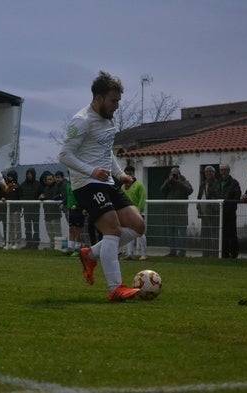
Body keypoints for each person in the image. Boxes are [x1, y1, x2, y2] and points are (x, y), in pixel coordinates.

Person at [58, 70, 144, 302]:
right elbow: (64, 155)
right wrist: (91, 171)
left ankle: (91, 253)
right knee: (113, 230)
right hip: (86, 183)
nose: (117, 105)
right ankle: (115, 288)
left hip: (106, 182)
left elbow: (106, 152)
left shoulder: (108, 120)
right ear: (99, 98)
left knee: (138, 226)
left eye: (118, 101)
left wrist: (120, 174)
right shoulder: (81, 120)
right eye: (113, 100)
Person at [160, 167, 193, 257]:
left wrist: (178, 182)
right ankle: (172, 252)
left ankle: (182, 252)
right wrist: (168, 181)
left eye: (175, 173)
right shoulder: (169, 182)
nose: (173, 175)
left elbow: (190, 190)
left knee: (182, 232)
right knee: (171, 232)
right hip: (170, 211)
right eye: (172, 173)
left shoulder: (185, 182)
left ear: (179, 174)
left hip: (181, 210)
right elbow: (162, 190)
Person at [121, 165, 148, 261]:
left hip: (137, 213)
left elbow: (142, 199)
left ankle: (144, 254)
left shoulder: (139, 185)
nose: (128, 175)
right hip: (127, 214)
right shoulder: (123, 187)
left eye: (130, 174)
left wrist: (138, 212)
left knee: (140, 233)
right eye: (126, 174)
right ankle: (130, 254)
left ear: (133, 174)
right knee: (129, 233)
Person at [218, 163, 242, 258]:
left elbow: (237, 195)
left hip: (230, 213)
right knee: (222, 234)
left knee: (232, 234)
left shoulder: (234, 183)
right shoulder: (217, 182)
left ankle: (234, 254)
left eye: (225, 170)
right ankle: (224, 254)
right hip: (219, 213)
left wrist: (230, 207)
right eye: (221, 170)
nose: (223, 172)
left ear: (228, 171)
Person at [196, 166, 219, 257]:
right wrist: (199, 208)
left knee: (214, 235)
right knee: (205, 235)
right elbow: (199, 196)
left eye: (210, 171)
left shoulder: (217, 183)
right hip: (204, 213)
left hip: (213, 213)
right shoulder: (202, 184)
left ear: (214, 173)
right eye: (207, 172)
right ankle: (205, 253)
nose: (209, 173)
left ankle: (215, 254)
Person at [19, 168, 41, 249]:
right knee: (27, 227)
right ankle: (28, 243)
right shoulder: (23, 185)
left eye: (30, 174)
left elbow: (41, 194)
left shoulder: (38, 184)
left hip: (35, 209)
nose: (29, 175)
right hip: (26, 209)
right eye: (28, 174)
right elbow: (20, 196)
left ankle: (35, 244)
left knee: (36, 227)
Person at [39, 172, 63, 250]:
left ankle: (59, 247)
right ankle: (52, 246)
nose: (49, 181)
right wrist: (42, 196)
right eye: (48, 179)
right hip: (47, 213)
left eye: (51, 179)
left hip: (55, 213)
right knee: (50, 232)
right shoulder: (45, 188)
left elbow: (59, 196)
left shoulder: (57, 187)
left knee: (57, 232)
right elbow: (43, 196)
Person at [65, 177, 85, 256]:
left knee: (77, 230)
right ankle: (70, 247)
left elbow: (83, 198)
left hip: (78, 210)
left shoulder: (79, 185)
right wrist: (64, 203)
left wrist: (78, 206)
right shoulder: (68, 185)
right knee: (71, 228)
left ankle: (78, 248)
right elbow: (68, 196)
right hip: (71, 209)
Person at [4, 170, 22, 249]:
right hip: (8, 209)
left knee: (16, 226)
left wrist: (20, 209)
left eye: (11, 176)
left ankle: (17, 242)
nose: (9, 178)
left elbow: (20, 197)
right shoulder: (7, 186)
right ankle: (10, 242)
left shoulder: (18, 186)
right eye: (8, 176)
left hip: (16, 209)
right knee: (9, 226)